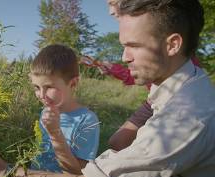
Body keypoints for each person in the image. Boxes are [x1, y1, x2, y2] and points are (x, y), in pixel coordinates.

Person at [0, 0, 215, 177]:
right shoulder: (189, 82)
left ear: (172, 45)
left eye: (134, 45)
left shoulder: (184, 119)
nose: (124, 57)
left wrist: (1, 172)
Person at [81, 0, 202, 152]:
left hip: (174, 99)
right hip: (153, 100)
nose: (110, 11)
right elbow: (139, 73)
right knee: (117, 142)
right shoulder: (141, 32)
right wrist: (113, 69)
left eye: (113, 3)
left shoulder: (185, 83)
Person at [0, 44, 100, 177]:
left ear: (73, 83)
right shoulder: (45, 112)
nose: (41, 95)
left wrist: (55, 133)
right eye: (36, 87)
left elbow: (78, 174)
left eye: (49, 87)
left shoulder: (87, 120)